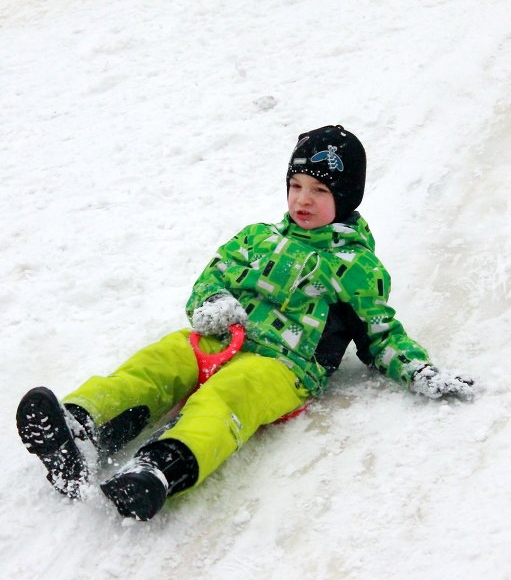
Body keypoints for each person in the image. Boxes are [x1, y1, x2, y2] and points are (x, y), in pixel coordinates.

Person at [16, 125, 474, 521]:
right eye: (295, 185)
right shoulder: (256, 238)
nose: (303, 199)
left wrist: (419, 371)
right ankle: (79, 427)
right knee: (157, 362)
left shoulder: (357, 267)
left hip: (281, 366)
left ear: (346, 197)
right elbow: (210, 278)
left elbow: (380, 335)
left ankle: (158, 469)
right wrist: (212, 300)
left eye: (320, 190)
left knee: (225, 400)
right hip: (220, 336)